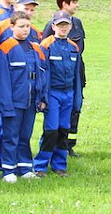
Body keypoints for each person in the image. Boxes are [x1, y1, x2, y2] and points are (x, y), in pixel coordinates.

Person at [0, 11, 47, 181]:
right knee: (11, 135)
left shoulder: (35, 48)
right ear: (12, 27)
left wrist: (42, 98)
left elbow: (42, 75)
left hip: (31, 101)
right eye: (21, 26)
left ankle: (25, 167)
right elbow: (2, 80)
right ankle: (8, 170)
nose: (25, 30)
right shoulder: (5, 49)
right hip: (14, 101)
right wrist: (5, 104)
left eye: (27, 26)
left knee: (25, 134)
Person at [34, 12, 82, 176]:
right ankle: (40, 165)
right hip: (52, 93)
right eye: (60, 25)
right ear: (53, 26)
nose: (63, 28)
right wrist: (43, 97)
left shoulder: (73, 47)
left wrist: (77, 98)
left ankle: (59, 165)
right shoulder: (46, 45)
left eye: (66, 25)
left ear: (70, 26)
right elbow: (42, 75)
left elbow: (77, 76)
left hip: (68, 94)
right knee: (51, 129)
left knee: (64, 129)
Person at [41, 0, 86, 158]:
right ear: (64, 4)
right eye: (74, 2)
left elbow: (79, 51)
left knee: (71, 116)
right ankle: (45, 157)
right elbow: (44, 53)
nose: (77, 5)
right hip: (54, 84)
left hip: (73, 76)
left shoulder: (78, 23)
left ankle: (67, 148)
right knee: (52, 124)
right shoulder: (50, 28)